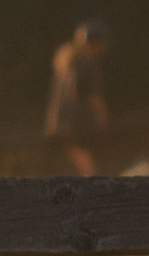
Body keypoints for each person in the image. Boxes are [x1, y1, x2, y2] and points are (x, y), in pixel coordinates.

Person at [44, 19, 112, 175]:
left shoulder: (66, 63)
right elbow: (94, 97)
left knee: (80, 161)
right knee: (94, 165)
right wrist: (104, 118)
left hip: (62, 123)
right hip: (81, 124)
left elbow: (56, 98)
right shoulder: (89, 65)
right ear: (97, 43)